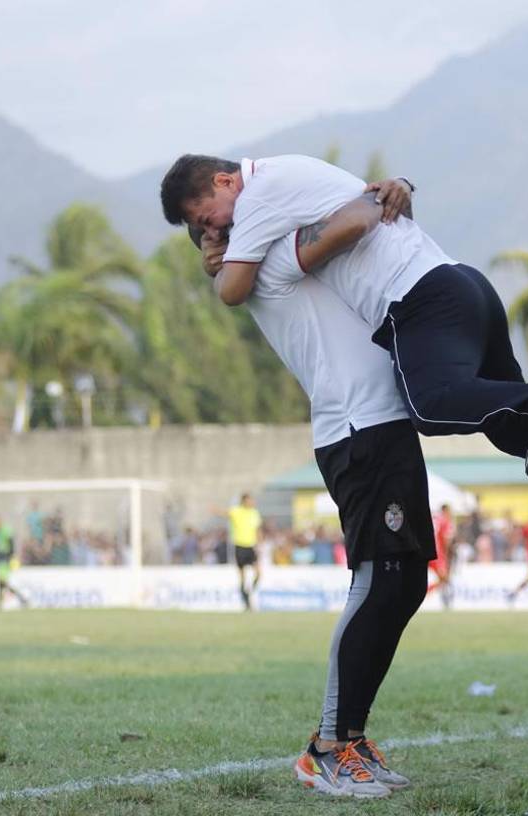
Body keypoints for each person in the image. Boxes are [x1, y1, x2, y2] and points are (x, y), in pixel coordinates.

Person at [160, 154, 528, 541]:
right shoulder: (287, 189)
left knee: (432, 403)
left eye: (208, 219)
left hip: (417, 298)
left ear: (226, 180)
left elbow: (232, 290)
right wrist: (393, 185)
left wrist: (220, 262)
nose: (216, 230)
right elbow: (364, 205)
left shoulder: (260, 194)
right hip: (460, 285)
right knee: (513, 432)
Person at [188, 185, 431, 797]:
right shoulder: (273, 261)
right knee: (378, 581)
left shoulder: (274, 258)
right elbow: (346, 220)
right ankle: (326, 746)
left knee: (407, 584)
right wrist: (384, 192)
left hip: (384, 421)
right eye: (220, 225)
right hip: (357, 427)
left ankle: (351, 737)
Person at [227, 494, 264, 611]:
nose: (252, 502)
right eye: (249, 500)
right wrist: (213, 509)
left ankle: (249, 591)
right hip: (239, 546)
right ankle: (246, 602)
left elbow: (258, 530)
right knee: (242, 577)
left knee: (258, 573)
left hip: (251, 547)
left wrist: (260, 544)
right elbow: (224, 513)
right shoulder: (236, 511)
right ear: (243, 501)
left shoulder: (254, 513)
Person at [0, 515, 28, 612]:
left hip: (6, 558)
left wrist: (11, 558)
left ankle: (3, 602)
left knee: (2, 582)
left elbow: (11, 544)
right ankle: (20, 599)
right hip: (0, 559)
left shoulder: (6, 530)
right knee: (2, 583)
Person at [427, 504, 456, 609]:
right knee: (445, 578)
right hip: (437, 554)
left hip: (425, 551)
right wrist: (447, 554)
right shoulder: (445, 521)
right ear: (446, 511)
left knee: (443, 579)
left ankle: (442, 599)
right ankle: (426, 593)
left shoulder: (433, 517)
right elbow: (446, 540)